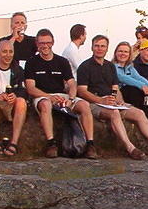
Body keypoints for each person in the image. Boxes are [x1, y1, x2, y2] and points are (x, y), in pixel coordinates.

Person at [77, 35, 148, 159]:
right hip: (94, 102)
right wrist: (101, 100)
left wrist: (119, 101)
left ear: (107, 48)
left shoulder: (109, 66)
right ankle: (130, 148)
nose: (100, 49)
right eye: (97, 46)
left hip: (110, 101)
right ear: (92, 47)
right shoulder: (85, 66)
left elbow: (115, 87)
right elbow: (82, 91)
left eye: (103, 46)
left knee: (139, 113)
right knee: (114, 112)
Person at [24, 28, 99, 159]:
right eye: (42, 43)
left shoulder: (62, 61)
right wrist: (49, 97)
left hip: (62, 95)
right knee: (46, 105)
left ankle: (90, 144)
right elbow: (30, 88)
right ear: (37, 44)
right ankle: (51, 144)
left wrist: (71, 98)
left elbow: (71, 83)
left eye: (48, 42)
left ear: (53, 42)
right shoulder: (31, 62)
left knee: (84, 106)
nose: (45, 46)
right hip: (42, 95)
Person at [112, 41, 148, 127]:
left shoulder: (130, 67)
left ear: (129, 54)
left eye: (126, 52)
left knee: (147, 95)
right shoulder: (112, 66)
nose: (123, 54)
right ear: (116, 53)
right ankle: (147, 119)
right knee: (133, 90)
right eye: (120, 51)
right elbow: (123, 78)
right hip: (120, 93)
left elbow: (138, 77)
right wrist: (142, 86)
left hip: (132, 93)